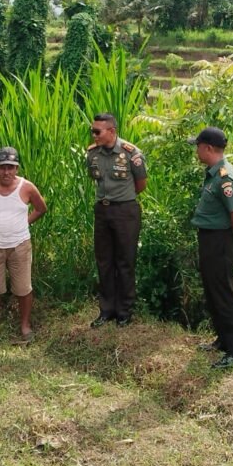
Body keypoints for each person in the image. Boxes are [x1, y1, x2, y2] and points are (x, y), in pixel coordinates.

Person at [189, 127, 233, 369]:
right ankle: (223, 341)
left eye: (197, 146)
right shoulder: (214, 174)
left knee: (225, 295)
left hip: (221, 243)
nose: (196, 151)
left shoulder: (225, 177)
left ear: (207, 148)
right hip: (210, 240)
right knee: (213, 292)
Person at [86, 113, 147, 327]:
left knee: (125, 261)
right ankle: (106, 310)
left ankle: (124, 311)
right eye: (92, 131)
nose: (93, 135)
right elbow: (95, 179)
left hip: (125, 212)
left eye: (97, 131)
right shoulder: (92, 154)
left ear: (111, 131)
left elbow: (141, 184)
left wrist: (122, 199)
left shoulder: (131, 153)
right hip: (102, 211)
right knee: (104, 261)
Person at [0, 146, 48, 342]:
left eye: (10, 167)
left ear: (17, 168)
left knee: (23, 288)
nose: (6, 172)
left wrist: (24, 223)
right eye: (2, 167)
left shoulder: (27, 187)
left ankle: (25, 326)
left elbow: (41, 208)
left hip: (19, 244)